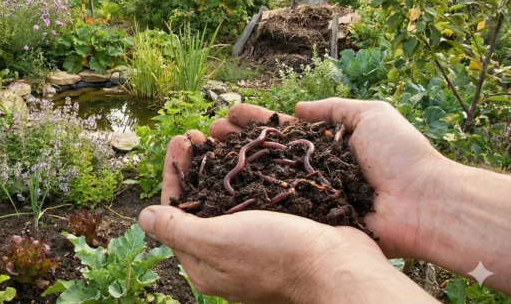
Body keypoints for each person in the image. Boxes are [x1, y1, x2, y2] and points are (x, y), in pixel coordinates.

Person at [138, 98, 511, 303]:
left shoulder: (328, 172)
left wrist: (314, 269)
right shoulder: (254, 162)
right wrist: (435, 189)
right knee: (251, 166)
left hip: (323, 191)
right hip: (300, 184)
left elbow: (305, 158)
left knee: (291, 159)